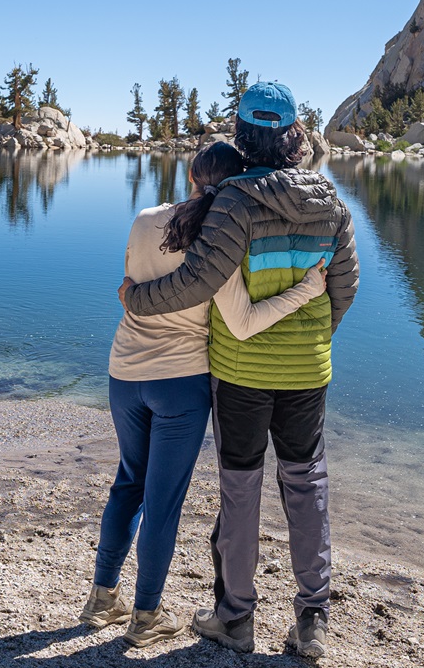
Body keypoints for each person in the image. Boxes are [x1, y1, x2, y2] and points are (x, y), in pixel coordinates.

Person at [119, 82, 359, 659]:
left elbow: (197, 281)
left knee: (241, 488)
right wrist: (311, 342)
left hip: (241, 373)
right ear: (294, 134)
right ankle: (312, 621)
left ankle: (236, 619)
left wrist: (137, 299)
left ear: (244, 135)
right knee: (307, 485)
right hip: (307, 374)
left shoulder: (235, 201)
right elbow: (344, 290)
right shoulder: (331, 201)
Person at [81, 141, 328, 648]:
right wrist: (307, 292)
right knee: (163, 502)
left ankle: (102, 599)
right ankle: (145, 618)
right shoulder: (220, 243)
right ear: (234, 186)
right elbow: (241, 322)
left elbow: (128, 284)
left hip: (124, 373)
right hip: (181, 383)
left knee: (128, 481)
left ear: (191, 172)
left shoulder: (146, 218)